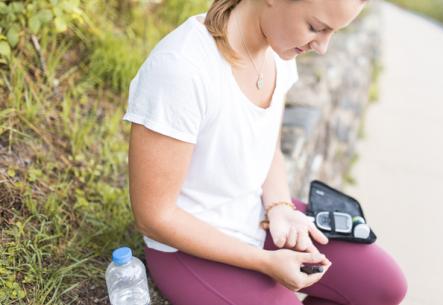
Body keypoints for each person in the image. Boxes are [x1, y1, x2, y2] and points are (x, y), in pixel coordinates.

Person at [122, 0, 408, 304]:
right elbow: (154, 217)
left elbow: (266, 144)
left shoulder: (279, 49)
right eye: (315, 27)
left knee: (384, 286)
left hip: (256, 215)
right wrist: (264, 262)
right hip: (189, 247)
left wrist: (281, 207)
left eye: (332, 33)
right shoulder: (181, 69)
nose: (322, 47)